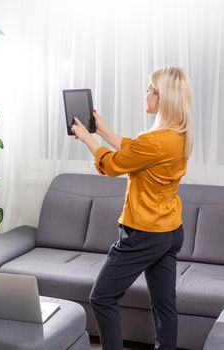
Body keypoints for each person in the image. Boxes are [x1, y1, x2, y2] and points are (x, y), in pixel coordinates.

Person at [70, 67, 193, 350]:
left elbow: (113, 164)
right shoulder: (179, 135)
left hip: (144, 234)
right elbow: (135, 150)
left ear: (164, 99)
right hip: (171, 231)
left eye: (150, 89)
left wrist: (88, 139)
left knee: (102, 297)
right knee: (165, 307)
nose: (146, 94)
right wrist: (100, 129)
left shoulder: (155, 140)